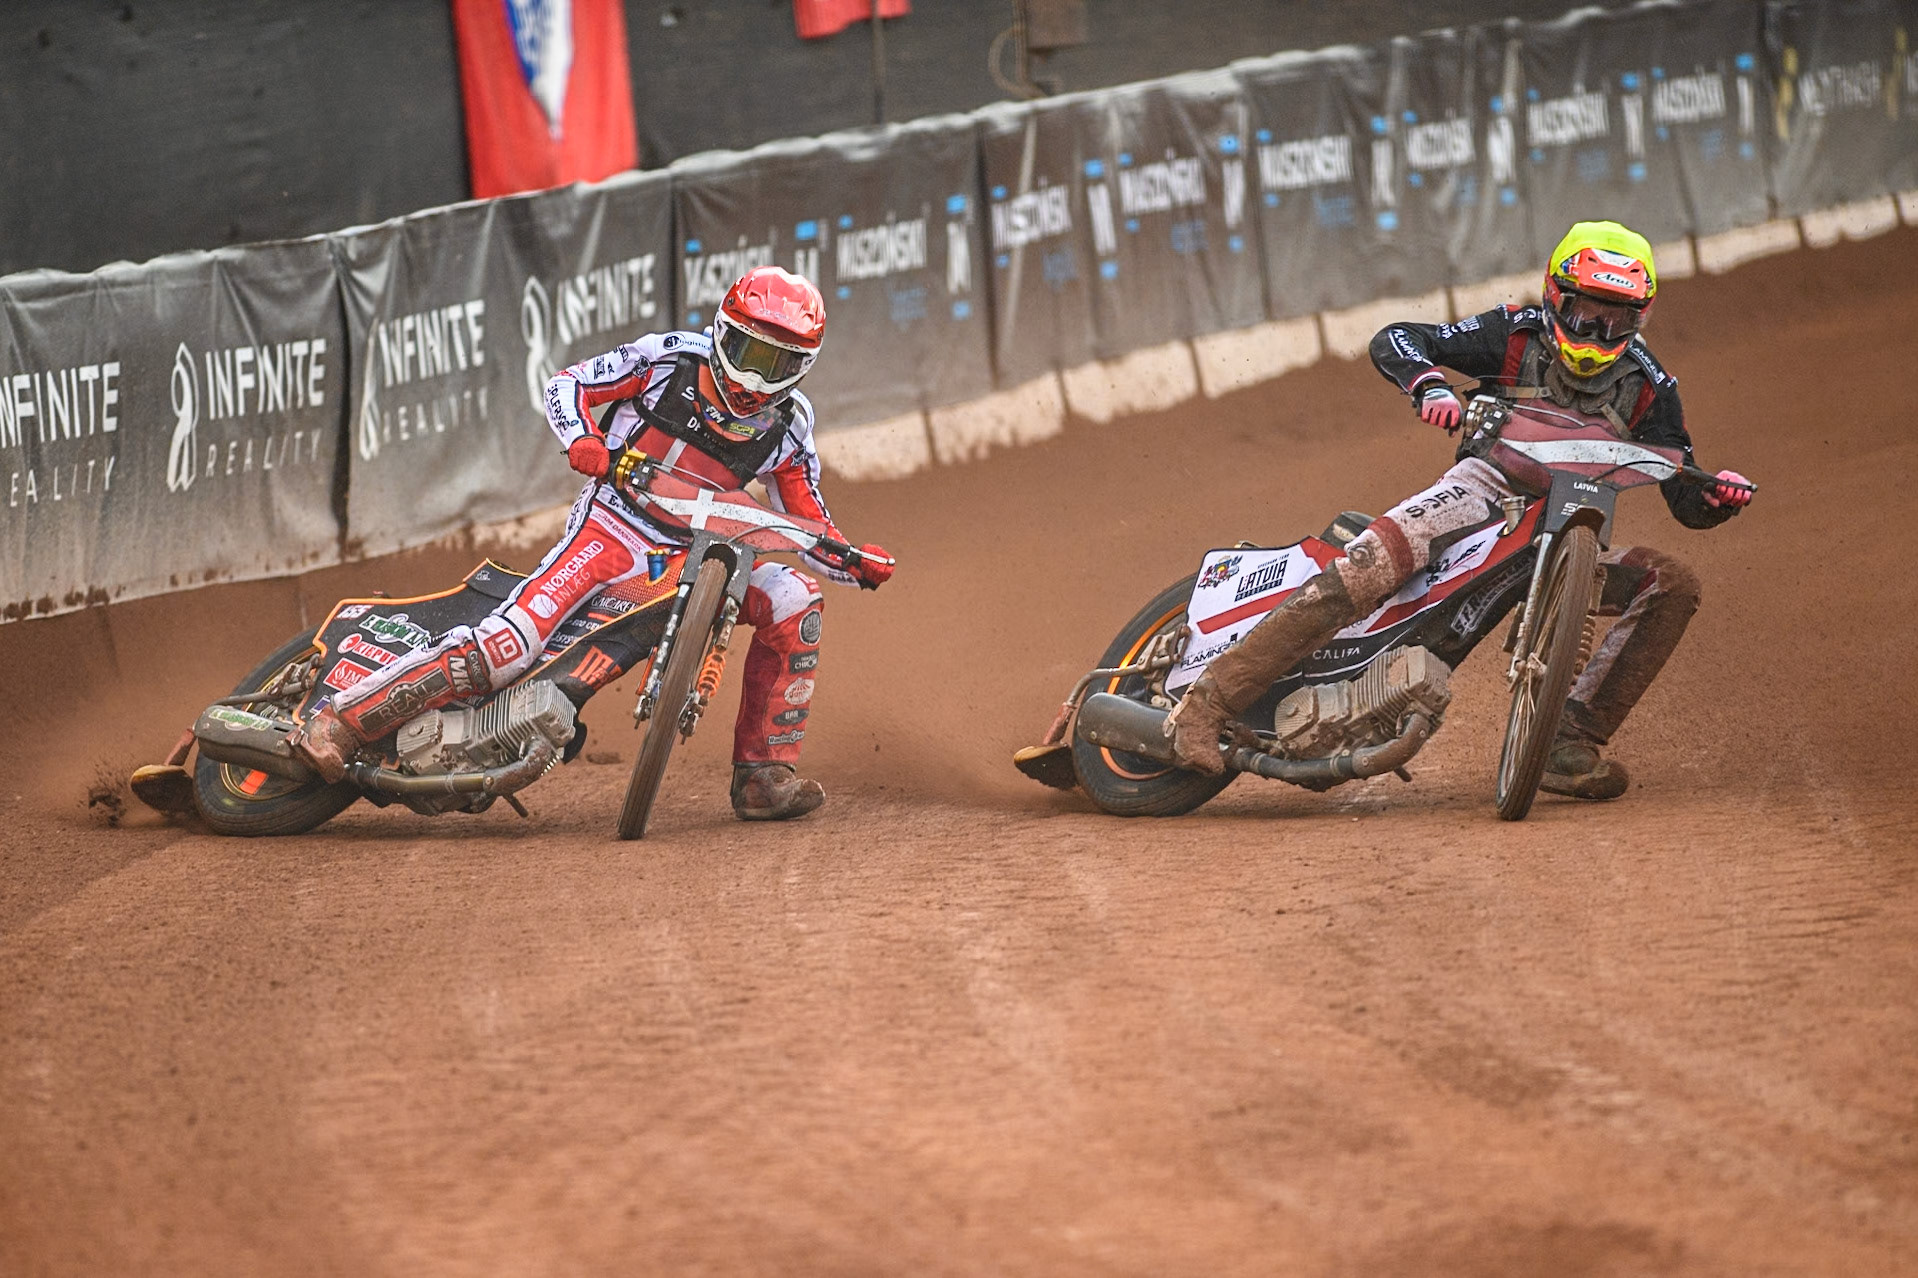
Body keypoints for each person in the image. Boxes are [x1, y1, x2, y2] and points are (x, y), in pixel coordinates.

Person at [1168, 221, 1753, 799]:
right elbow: (1399, 338)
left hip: (1571, 525)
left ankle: (1566, 740)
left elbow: (1683, 487)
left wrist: (1715, 496)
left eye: (1616, 319)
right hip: (1482, 489)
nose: (1599, 331)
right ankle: (1207, 703)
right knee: (1371, 564)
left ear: (1639, 318)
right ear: (1556, 297)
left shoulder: (1651, 385)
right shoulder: (1513, 332)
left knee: (1671, 583)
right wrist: (1430, 387)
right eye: (1586, 314)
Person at [291, 266, 893, 821]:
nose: (758, 377)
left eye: (780, 364)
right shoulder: (667, 360)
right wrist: (581, 438)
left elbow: (807, 523)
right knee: (507, 647)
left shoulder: (791, 426)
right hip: (613, 527)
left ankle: (764, 776)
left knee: (796, 599)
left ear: (804, 367)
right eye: (750, 353)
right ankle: (341, 721)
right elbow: (568, 384)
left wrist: (853, 560)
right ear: (722, 332)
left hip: (701, 554)